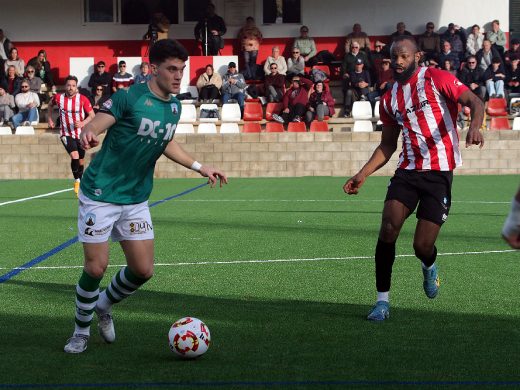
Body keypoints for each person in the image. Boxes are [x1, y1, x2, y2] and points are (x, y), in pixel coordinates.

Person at [63, 39, 228, 354]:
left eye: (182, 69)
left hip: (136, 198)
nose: (178, 76)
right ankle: (80, 331)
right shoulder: (130, 97)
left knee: (143, 270)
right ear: (153, 68)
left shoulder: (176, 106)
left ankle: (103, 305)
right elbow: (100, 121)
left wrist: (200, 166)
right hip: (101, 193)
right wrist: (89, 131)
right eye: (171, 69)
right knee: (96, 268)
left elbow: (165, 142)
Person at [343, 36, 484, 322]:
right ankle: (382, 301)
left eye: (404, 56)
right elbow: (387, 145)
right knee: (388, 228)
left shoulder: (436, 78)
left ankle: (429, 266)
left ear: (417, 56)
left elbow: (475, 101)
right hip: (407, 171)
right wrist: (363, 173)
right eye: (394, 57)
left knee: (421, 246)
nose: (398, 61)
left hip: (438, 173)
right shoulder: (389, 98)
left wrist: (475, 128)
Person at [48, 75, 95, 195]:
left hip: (80, 134)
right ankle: (77, 181)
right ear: (65, 86)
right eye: (68, 85)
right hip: (66, 133)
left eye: (73, 85)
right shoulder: (58, 98)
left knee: (81, 160)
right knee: (74, 155)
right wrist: (50, 118)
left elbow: (92, 115)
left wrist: (83, 122)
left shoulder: (83, 99)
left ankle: (81, 178)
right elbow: (49, 104)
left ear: (76, 87)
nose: (70, 88)